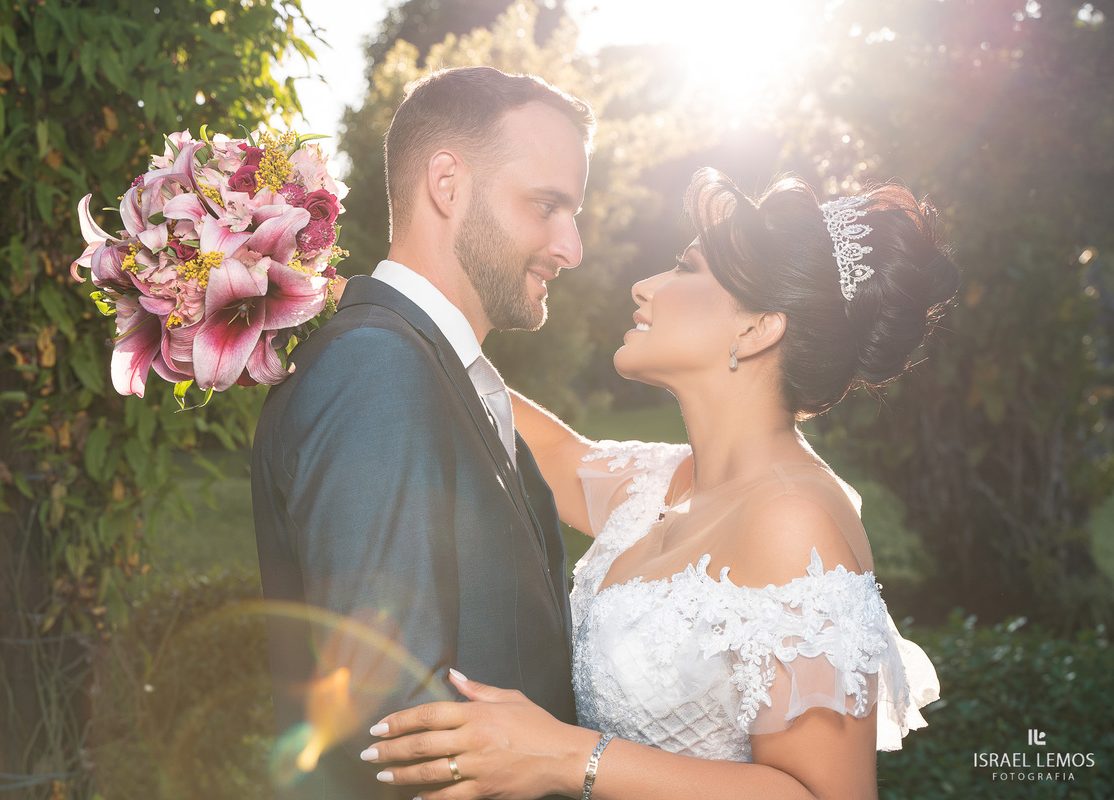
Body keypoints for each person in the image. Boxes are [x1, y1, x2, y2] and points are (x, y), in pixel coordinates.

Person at [361, 169, 956, 799]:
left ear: (757, 328)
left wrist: (565, 757)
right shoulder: (660, 483)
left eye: (685, 268)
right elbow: (549, 447)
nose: (644, 287)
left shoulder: (792, 521)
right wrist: (363, 317)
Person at [251, 66, 594, 797]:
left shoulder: (427, 365)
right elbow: (393, 723)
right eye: (547, 206)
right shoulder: (375, 367)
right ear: (448, 183)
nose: (572, 247)